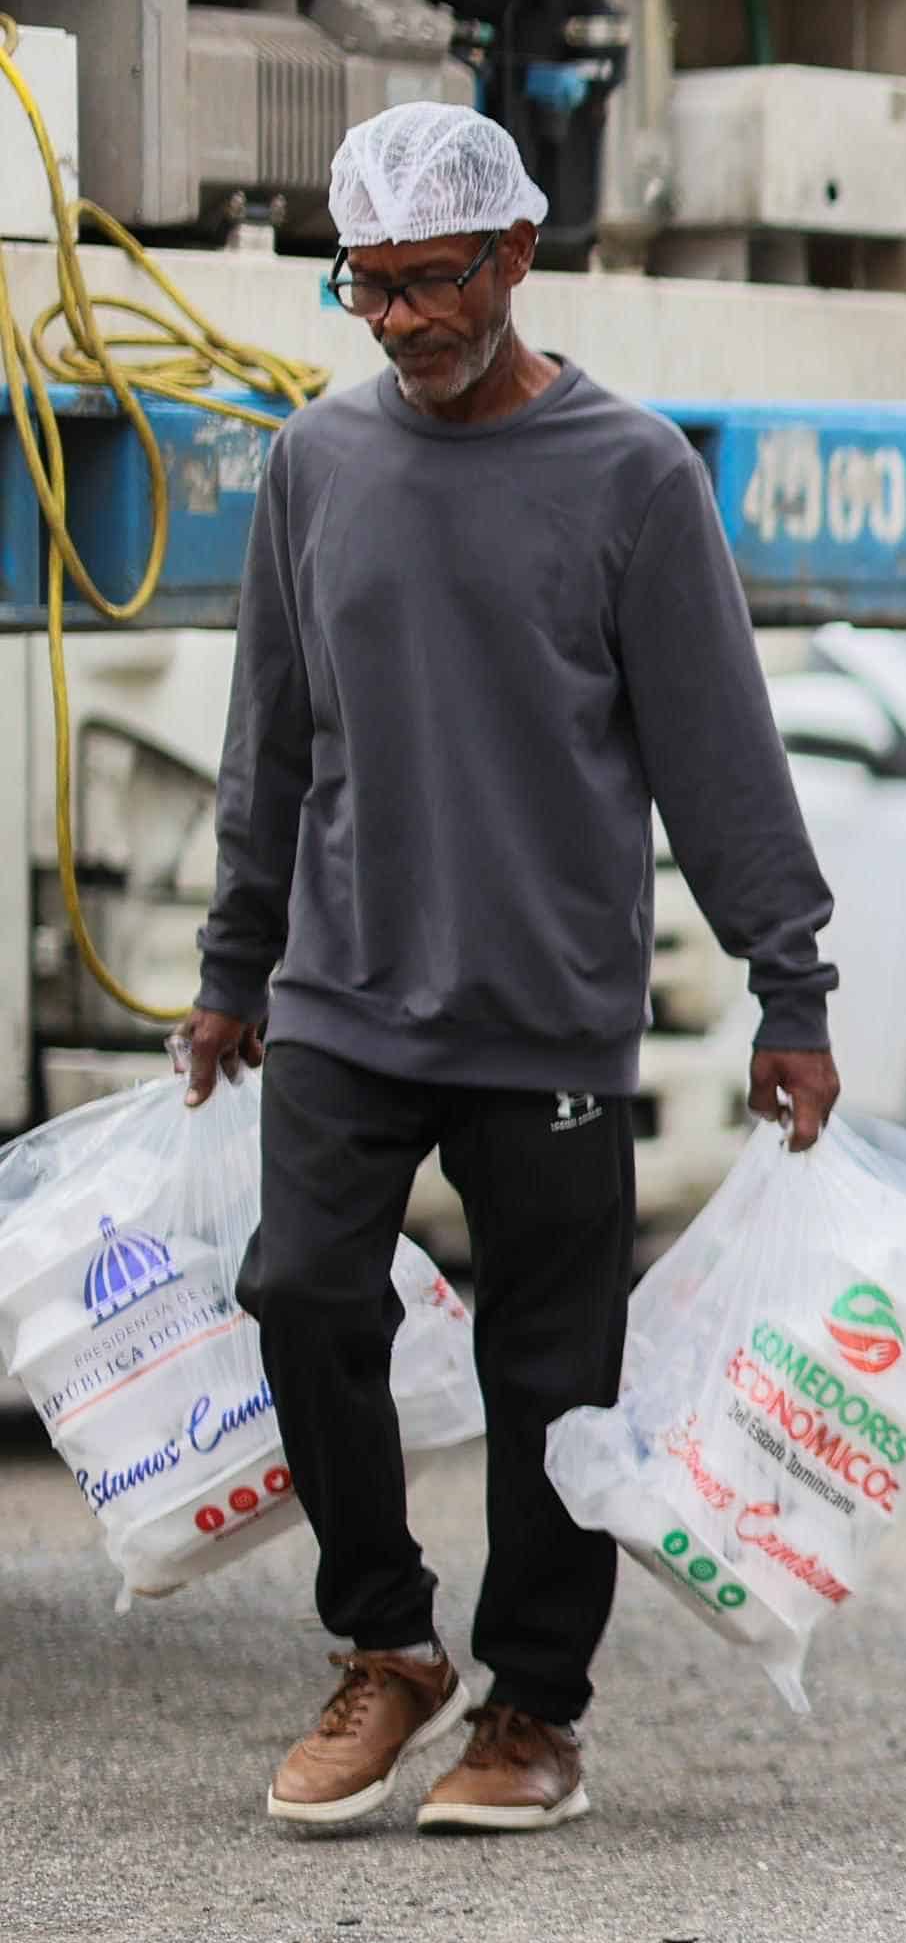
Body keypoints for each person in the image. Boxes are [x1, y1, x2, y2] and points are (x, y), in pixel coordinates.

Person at [185, 103, 841, 1837]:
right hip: (343, 985)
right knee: (302, 1288)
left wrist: (794, 987)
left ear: (513, 258)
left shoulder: (632, 478)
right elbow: (273, 736)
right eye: (367, 287)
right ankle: (385, 1644)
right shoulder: (317, 466)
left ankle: (533, 1706)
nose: (397, 320)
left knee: (554, 1368)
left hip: (545, 1001)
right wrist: (232, 961)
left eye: (424, 283)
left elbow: (720, 754)